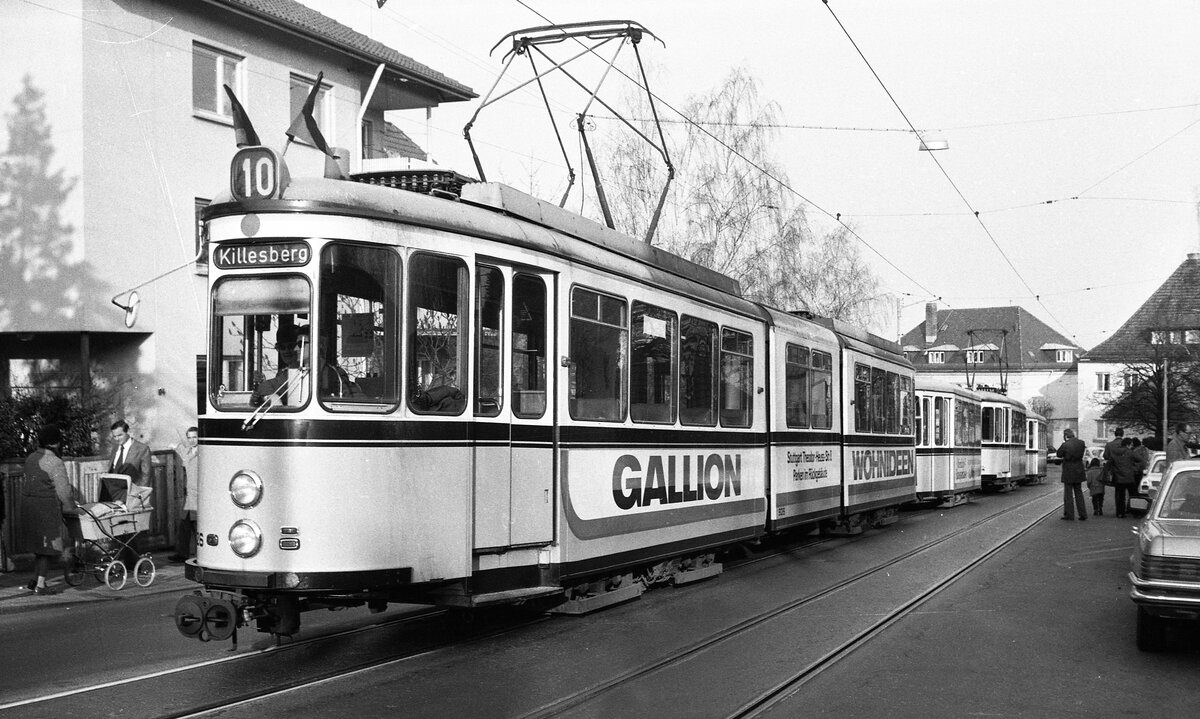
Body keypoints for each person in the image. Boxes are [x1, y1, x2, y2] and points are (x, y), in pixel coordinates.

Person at [20, 425, 79, 595]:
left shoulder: (31, 458)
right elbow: (64, 492)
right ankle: (41, 584)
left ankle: (35, 578)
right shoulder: (56, 462)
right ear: (56, 443)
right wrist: (72, 508)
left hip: (29, 507)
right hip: (46, 508)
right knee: (47, 549)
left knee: (39, 546)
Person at [252, 324, 307, 406]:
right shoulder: (282, 372)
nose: (286, 351)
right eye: (281, 347)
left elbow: (266, 387)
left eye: (291, 346)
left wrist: (263, 386)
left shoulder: (303, 371)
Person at [169, 426, 199, 563]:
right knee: (185, 524)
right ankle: (182, 553)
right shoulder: (187, 451)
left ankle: (202, 554)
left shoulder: (203, 453)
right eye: (189, 437)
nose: (192, 440)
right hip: (190, 495)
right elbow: (178, 447)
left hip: (199, 494)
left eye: (195, 437)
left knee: (197, 525)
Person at [1109, 437, 1146, 518]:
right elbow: (1141, 460)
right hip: (1129, 477)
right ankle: (1135, 512)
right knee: (1133, 495)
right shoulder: (1130, 452)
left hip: (1119, 477)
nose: (1132, 446)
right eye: (1131, 445)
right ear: (1128, 445)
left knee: (1120, 497)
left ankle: (1120, 513)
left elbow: (1110, 463)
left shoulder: (1114, 452)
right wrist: (1135, 467)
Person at [1056, 428, 1088, 520]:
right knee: (1079, 492)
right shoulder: (1081, 443)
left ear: (1066, 436)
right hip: (1079, 470)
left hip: (1068, 470)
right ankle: (1083, 514)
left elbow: (1059, 454)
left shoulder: (1065, 444)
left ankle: (1069, 515)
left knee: (1068, 493)